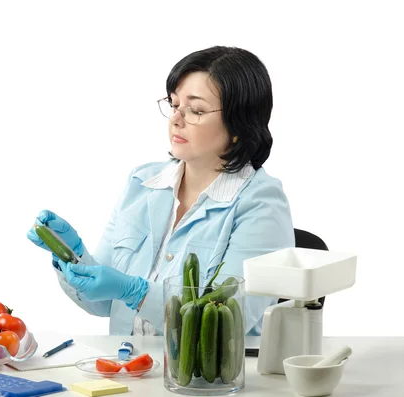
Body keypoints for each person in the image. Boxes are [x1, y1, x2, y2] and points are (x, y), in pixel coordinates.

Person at [27, 46, 294, 336]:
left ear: (239, 124)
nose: (176, 119)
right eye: (174, 104)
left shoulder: (262, 205)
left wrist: (136, 292)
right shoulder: (142, 182)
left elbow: (226, 323)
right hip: (128, 367)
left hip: (203, 380)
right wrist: (72, 256)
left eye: (196, 110)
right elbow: (103, 303)